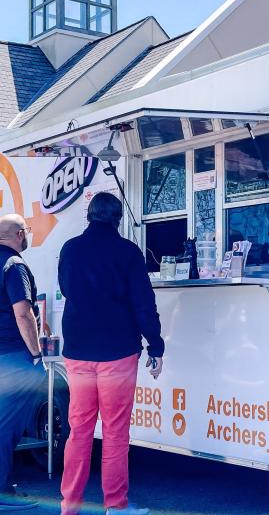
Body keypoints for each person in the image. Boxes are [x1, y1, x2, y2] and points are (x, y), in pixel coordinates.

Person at [58, 192, 165, 515]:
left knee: (79, 430)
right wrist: (155, 345)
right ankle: (115, 506)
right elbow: (143, 304)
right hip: (117, 352)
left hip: (77, 350)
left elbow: (66, 289)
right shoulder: (128, 252)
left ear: (89, 216)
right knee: (116, 432)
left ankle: (69, 506)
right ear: (118, 218)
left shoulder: (70, 249)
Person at [0, 214, 45, 511]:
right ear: (18, 234)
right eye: (26, 231)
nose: (27, 235)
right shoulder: (14, 266)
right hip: (13, 356)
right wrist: (37, 353)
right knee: (7, 426)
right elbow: (23, 313)